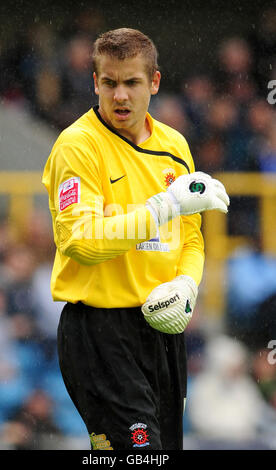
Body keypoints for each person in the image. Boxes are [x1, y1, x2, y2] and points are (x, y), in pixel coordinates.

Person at [42, 28, 229, 450]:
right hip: (101, 333)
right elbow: (80, 241)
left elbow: (191, 237)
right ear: (95, 83)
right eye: (109, 83)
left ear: (155, 83)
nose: (120, 96)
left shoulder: (175, 145)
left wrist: (187, 285)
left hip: (163, 332)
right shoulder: (78, 146)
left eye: (132, 82)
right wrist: (162, 208)